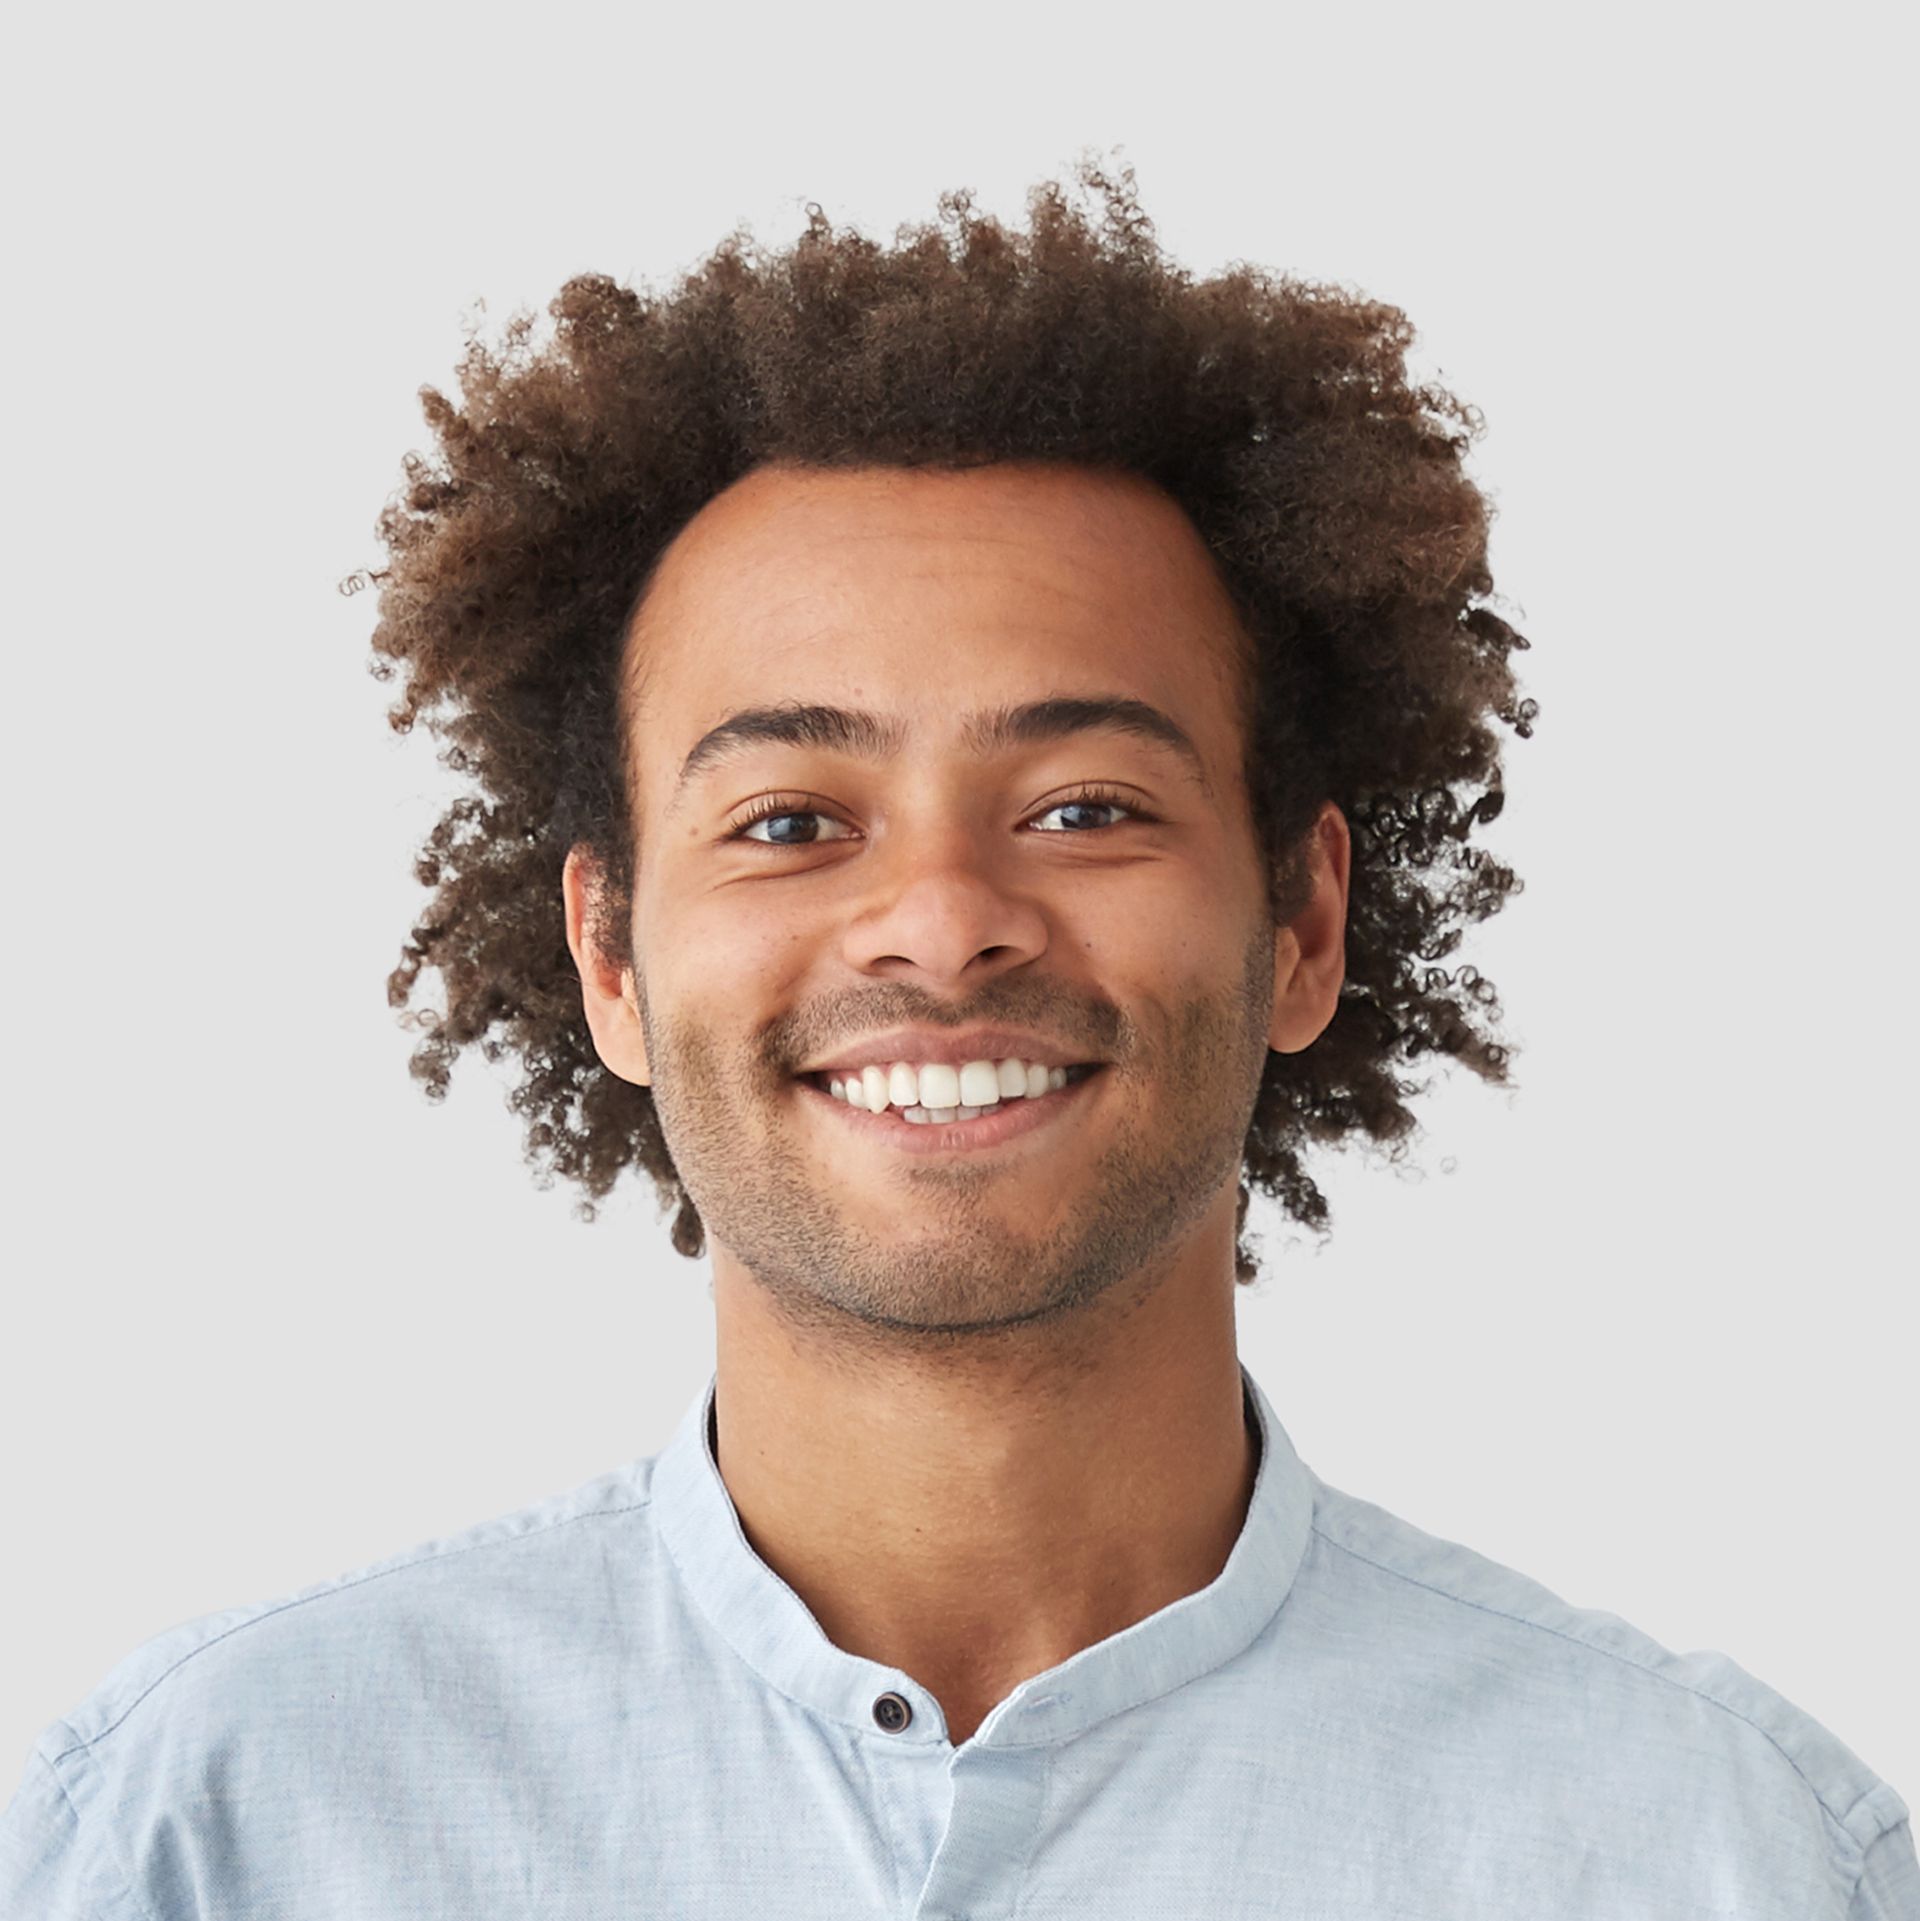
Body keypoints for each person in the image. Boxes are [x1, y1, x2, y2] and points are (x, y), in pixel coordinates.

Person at [3, 161, 1911, 1919]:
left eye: (1086, 806)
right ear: (606, 957)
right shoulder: (225, 1823)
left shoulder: (1717, 1852)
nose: (941, 918)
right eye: (788, 819)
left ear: (1303, 921)